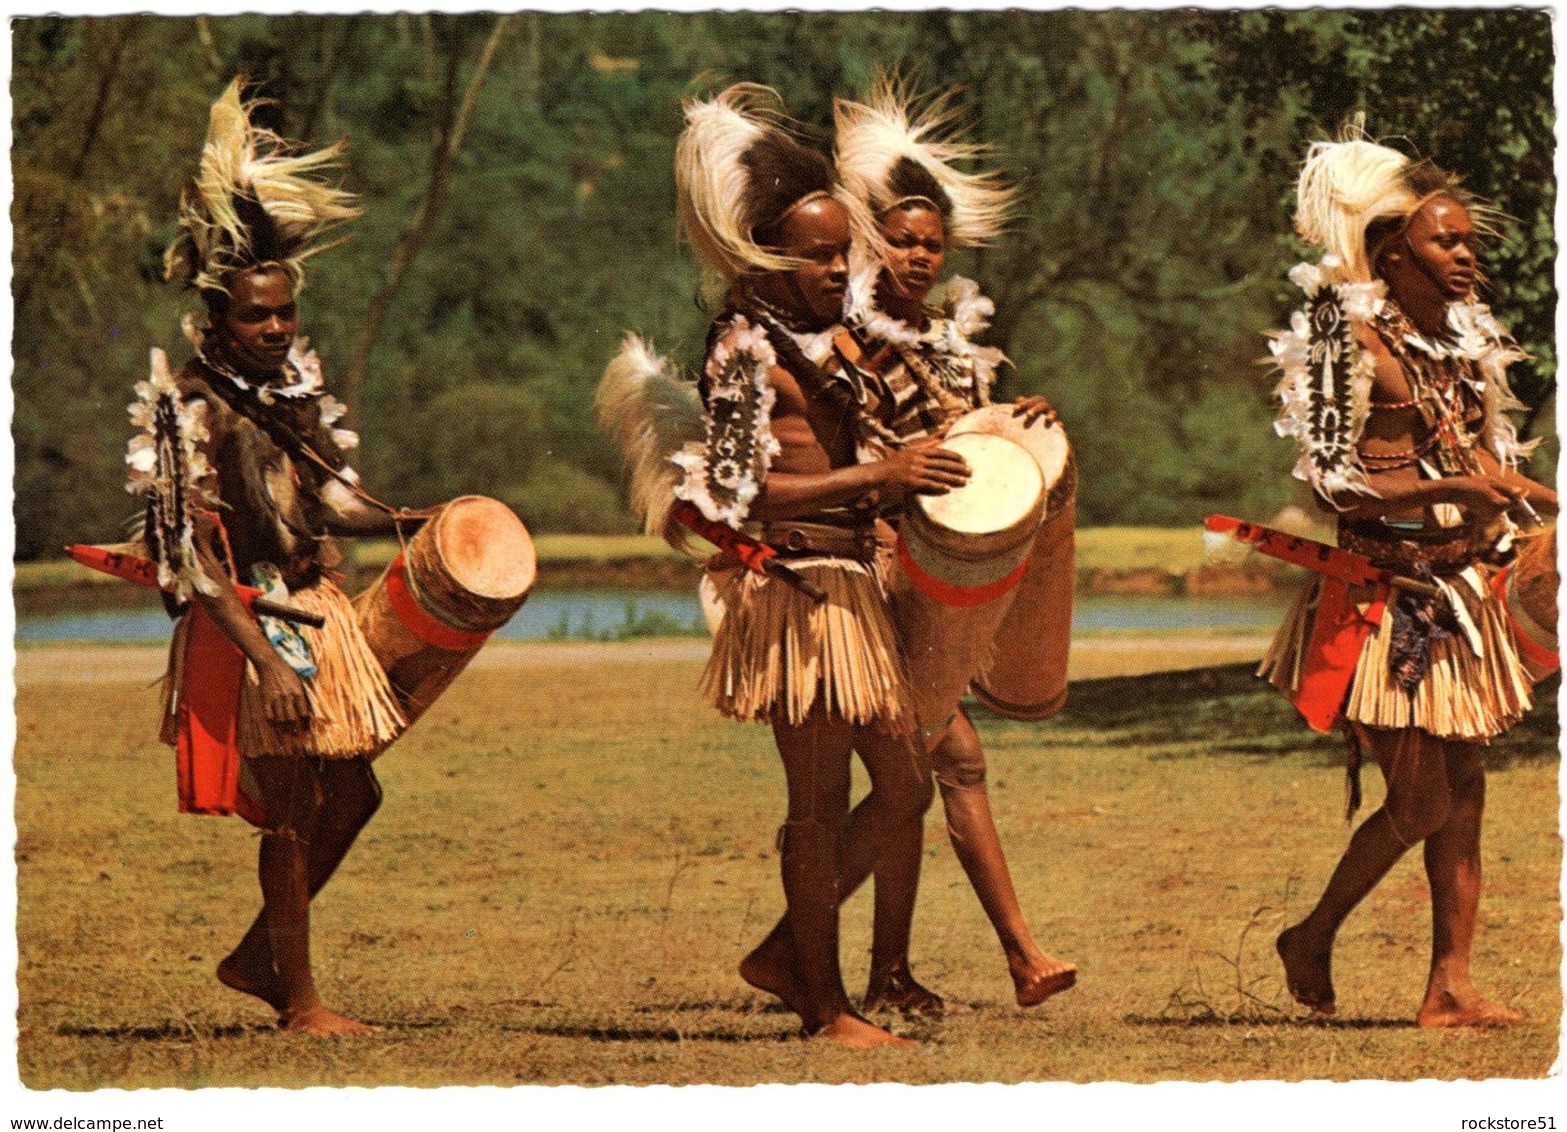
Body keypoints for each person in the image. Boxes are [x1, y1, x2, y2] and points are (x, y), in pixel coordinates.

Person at [619, 84, 977, 1048]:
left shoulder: (833, 345)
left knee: (902, 789)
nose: (837, 267)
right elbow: (736, 498)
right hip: (793, 591)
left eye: (840, 251)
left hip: (852, 588)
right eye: (818, 255)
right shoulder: (743, 351)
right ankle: (825, 1007)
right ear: (769, 257)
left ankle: (790, 958)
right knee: (816, 808)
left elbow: (906, 435)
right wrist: (880, 474)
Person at [138, 79, 429, 1035]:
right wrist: (265, 663)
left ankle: (261, 957)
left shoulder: (291, 392)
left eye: (285, 316)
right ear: (220, 319)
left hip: (311, 606)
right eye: (257, 318)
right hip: (250, 621)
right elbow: (186, 556)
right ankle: (298, 1000)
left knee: (352, 789)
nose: (275, 330)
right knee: (301, 805)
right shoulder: (192, 405)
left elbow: (324, 503)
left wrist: (409, 523)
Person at [1258, 124, 1557, 1027]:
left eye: (1468, 240)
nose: (1466, 255)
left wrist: (1516, 493)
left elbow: (1481, 461)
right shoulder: (1340, 333)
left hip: (1459, 593)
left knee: (1463, 795)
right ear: (1390, 251)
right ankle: (1310, 933)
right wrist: (1456, 485)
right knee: (1423, 795)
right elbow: (1330, 482)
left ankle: (1450, 985)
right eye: (1446, 240)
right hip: (1378, 596)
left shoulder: (1463, 345)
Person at [827, 78, 1078, 1013]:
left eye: (934, 243)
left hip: (927, 583)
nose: (921, 256)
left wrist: (1018, 424)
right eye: (902, 239)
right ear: (865, 240)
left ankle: (883, 967)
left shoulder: (941, 338)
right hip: (868, 583)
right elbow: (852, 458)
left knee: (927, 771)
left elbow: (968, 441)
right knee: (934, 766)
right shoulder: (839, 339)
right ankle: (1002, 957)